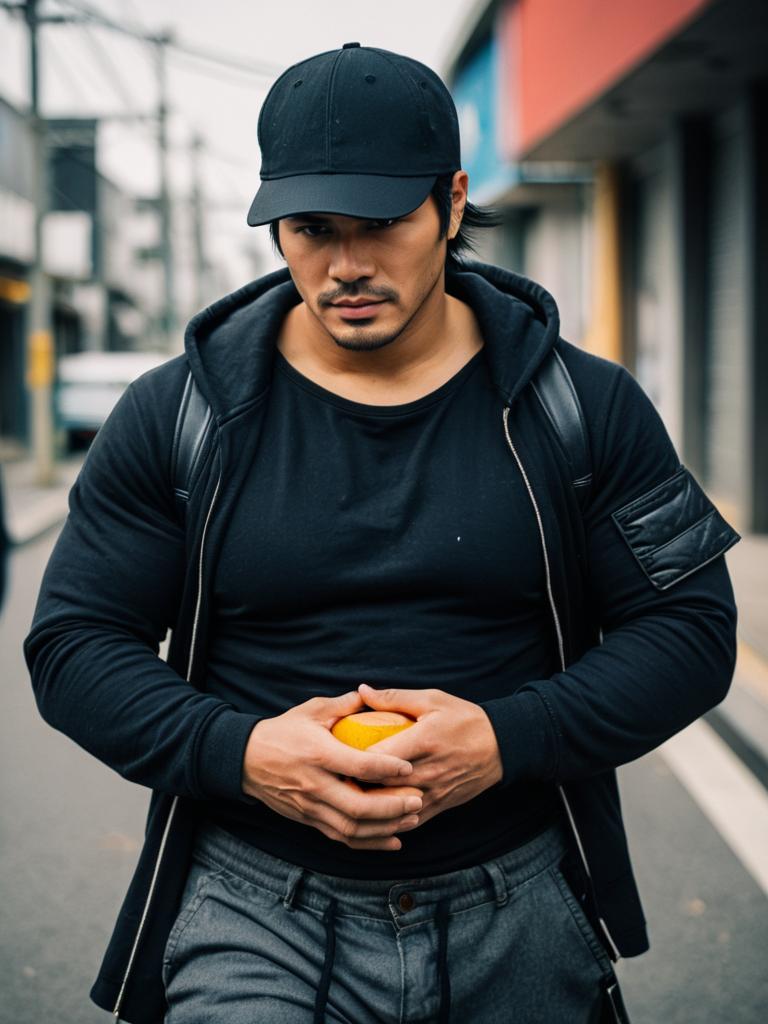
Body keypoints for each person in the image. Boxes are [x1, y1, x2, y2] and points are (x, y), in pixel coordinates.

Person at [25, 43, 739, 1024]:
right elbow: (72, 643)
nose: (347, 264)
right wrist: (242, 753)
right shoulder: (179, 416)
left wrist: (504, 735)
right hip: (253, 905)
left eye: (384, 222)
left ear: (451, 202)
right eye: (313, 228)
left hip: (516, 898)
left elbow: (692, 630)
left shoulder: (582, 405)